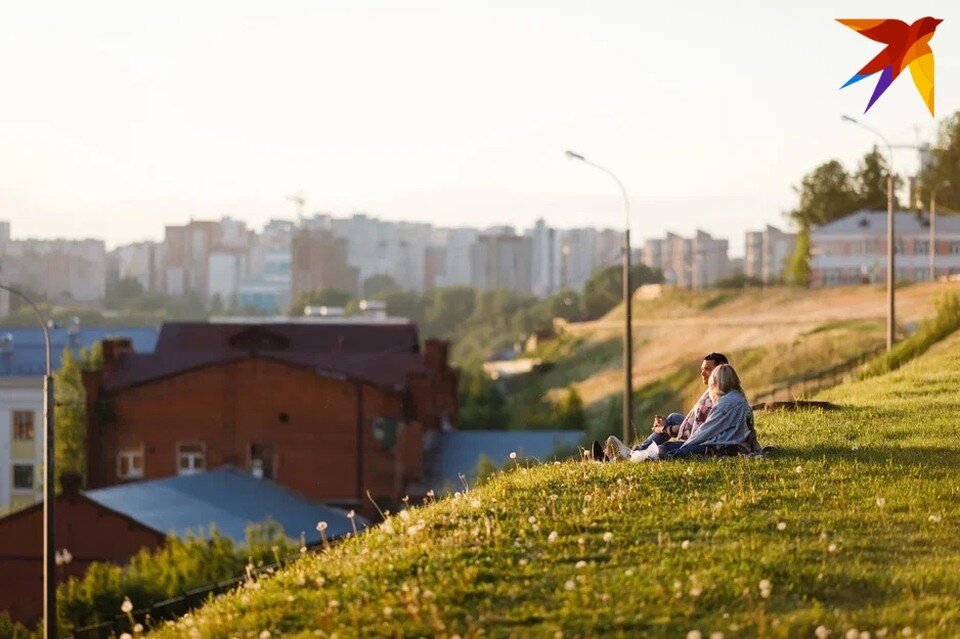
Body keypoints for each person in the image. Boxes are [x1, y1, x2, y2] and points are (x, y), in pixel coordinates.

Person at [596, 353, 729, 461]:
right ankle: (626, 454)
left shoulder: (720, 396)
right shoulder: (715, 390)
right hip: (705, 434)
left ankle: (629, 455)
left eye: (707, 369)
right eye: (702, 369)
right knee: (673, 417)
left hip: (708, 442)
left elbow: (698, 432)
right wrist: (666, 426)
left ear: (720, 370)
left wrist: (665, 428)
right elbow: (694, 424)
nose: (702, 374)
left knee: (667, 444)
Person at [632, 363, 761, 461]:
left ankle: (637, 457)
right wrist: (755, 449)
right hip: (731, 447)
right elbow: (751, 431)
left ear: (716, 383)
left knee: (667, 449)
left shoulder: (724, 404)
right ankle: (638, 454)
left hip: (722, 449)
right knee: (670, 444)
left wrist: (683, 446)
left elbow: (706, 432)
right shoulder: (740, 398)